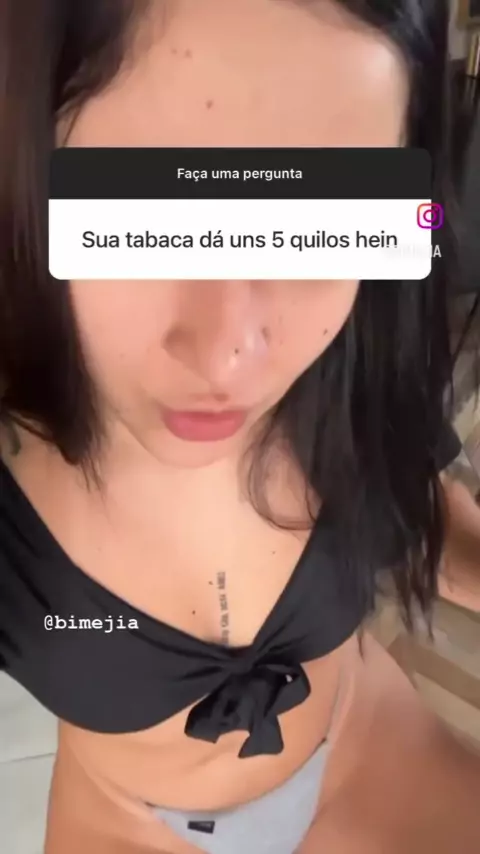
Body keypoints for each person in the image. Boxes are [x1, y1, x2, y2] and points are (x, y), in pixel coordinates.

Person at [1, 1, 480, 852]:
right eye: (145, 218)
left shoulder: (353, 359)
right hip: (125, 823)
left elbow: (420, 512)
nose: (228, 355)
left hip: (366, 750)